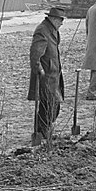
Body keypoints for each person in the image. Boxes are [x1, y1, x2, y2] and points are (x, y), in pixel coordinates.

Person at [28, 7, 65, 140]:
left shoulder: (52, 30)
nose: (62, 23)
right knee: (48, 105)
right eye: (61, 20)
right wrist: (39, 69)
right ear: (54, 19)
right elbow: (35, 53)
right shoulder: (42, 31)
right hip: (45, 76)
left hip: (53, 74)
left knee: (53, 105)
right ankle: (41, 131)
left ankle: (44, 130)